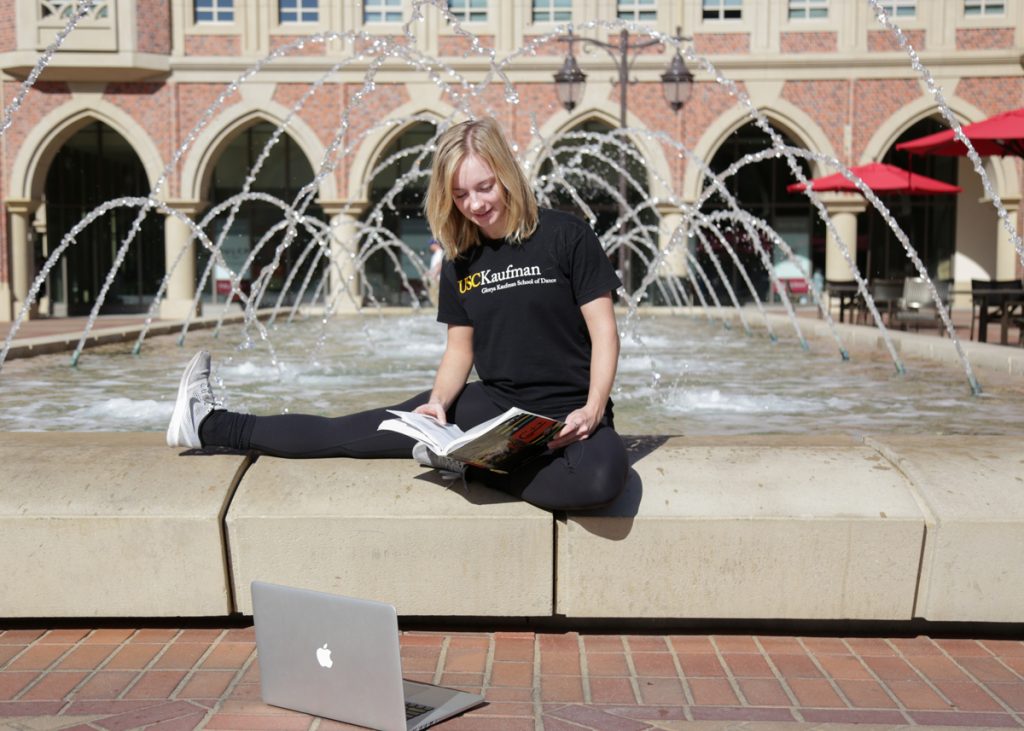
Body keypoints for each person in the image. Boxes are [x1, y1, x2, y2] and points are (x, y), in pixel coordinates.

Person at [167, 116, 629, 511]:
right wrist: (439, 403)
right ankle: (209, 423)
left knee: (598, 482)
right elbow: (459, 349)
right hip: (492, 408)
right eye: (461, 195)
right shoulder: (461, 258)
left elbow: (605, 333)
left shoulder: (567, 236)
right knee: (346, 435)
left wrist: (591, 408)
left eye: (484, 187)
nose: (476, 204)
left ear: (507, 173)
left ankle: (468, 467)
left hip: (569, 411)